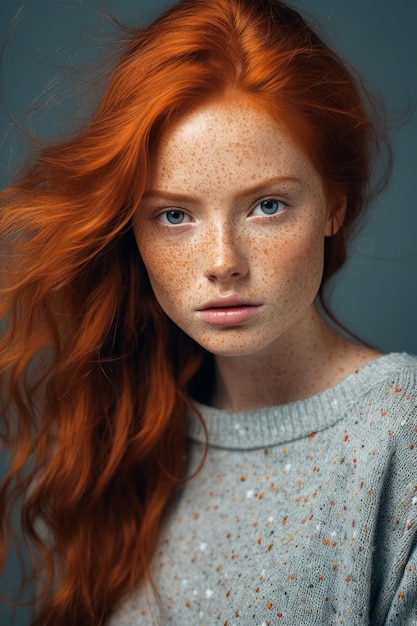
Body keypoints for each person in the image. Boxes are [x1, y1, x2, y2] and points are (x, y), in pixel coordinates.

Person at [0, 0, 415, 624]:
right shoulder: (126, 438)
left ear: (335, 203)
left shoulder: (400, 436)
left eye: (267, 205)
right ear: (131, 230)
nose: (223, 262)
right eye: (174, 215)